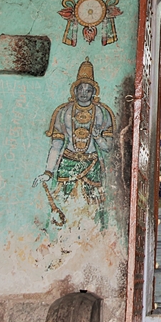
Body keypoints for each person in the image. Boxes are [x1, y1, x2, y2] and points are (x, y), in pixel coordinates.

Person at [35, 58, 114, 228]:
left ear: (94, 91)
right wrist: (48, 172)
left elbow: (108, 147)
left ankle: (88, 244)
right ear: (75, 89)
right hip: (67, 164)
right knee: (64, 208)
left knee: (91, 211)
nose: (84, 93)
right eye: (81, 88)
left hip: (91, 165)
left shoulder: (102, 113)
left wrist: (98, 138)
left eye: (88, 89)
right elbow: (56, 145)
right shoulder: (63, 112)